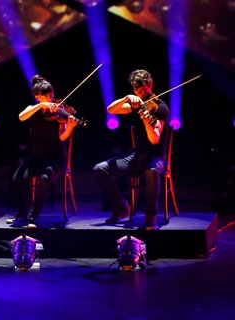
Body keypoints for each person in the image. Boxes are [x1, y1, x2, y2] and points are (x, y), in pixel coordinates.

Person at [93, 69, 170, 230]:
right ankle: (122, 207)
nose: (141, 94)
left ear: (150, 85)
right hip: (137, 156)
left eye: (143, 90)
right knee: (100, 169)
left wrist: (146, 120)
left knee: (152, 170)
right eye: (137, 91)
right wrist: (127, 98)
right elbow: (111, 110)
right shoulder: (136, 104)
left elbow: (154, 139)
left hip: (157, 158)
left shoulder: (160, 108)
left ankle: (151, 216)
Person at [10, 75, 78, 228]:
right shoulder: (32, 109)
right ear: (37, 97)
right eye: (47, 96)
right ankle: (22, 214)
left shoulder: (59, 113)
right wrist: (41, 106)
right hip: (36, 157)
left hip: (56, 159)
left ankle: (33, 215)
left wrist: (71, 126)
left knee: (45, 177)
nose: (51, 98)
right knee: (18, 178)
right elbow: (21, 117)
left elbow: (61, 137)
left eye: (52, 95)